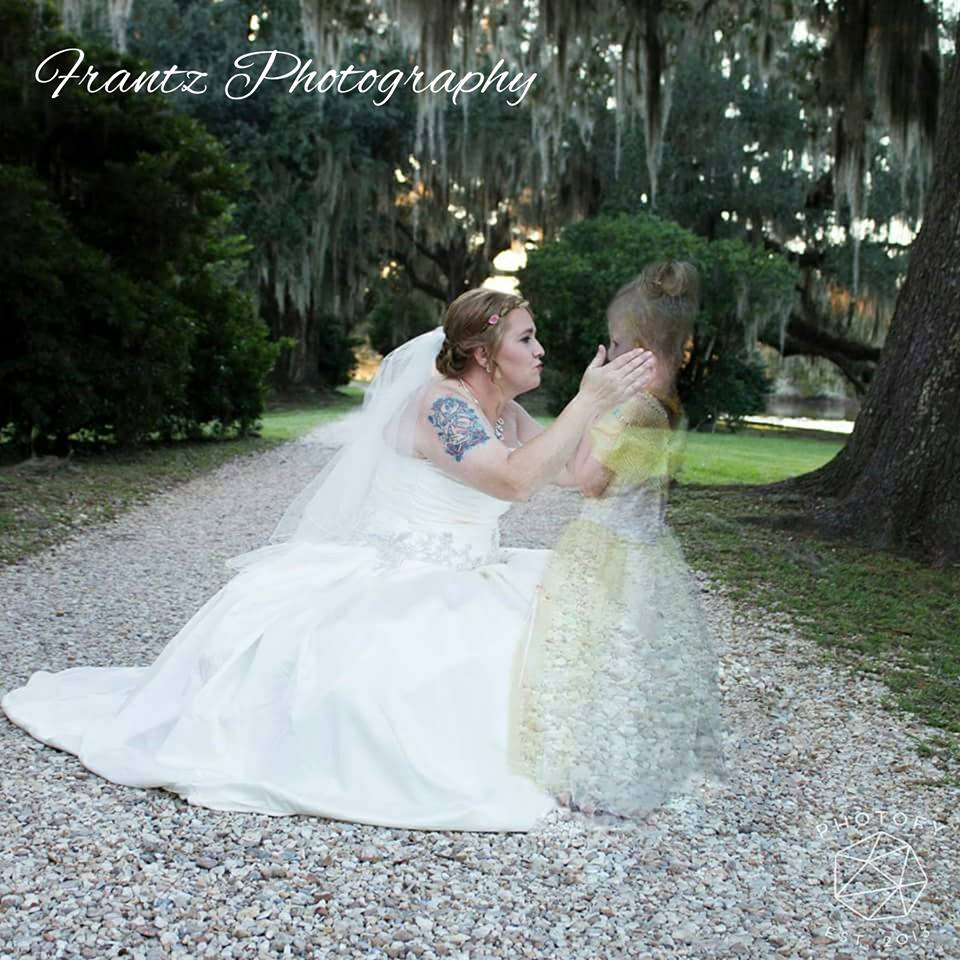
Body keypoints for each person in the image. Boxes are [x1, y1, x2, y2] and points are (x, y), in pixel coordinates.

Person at [0, 288, 660, 833]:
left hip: (474, 565)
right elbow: (513, 482)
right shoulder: (443, 405)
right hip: (410, 572)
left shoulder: (505, 413)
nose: (540, 350)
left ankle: (564, 764)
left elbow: (580, 476)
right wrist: (585, 401)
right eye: (526, 338)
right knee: (460, 656)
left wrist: (620, 408)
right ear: (484, 353)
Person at [506, 261, 728, 829]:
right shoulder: (663, 402)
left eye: (619, 344)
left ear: (645, 347)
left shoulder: (634, 411)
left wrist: (592, 404)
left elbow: (589, 480)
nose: (610, 355)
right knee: (623, 655)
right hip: (643, 547)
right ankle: (606, 762)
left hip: (609, 546)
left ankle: (599, 772)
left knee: (597, 655)